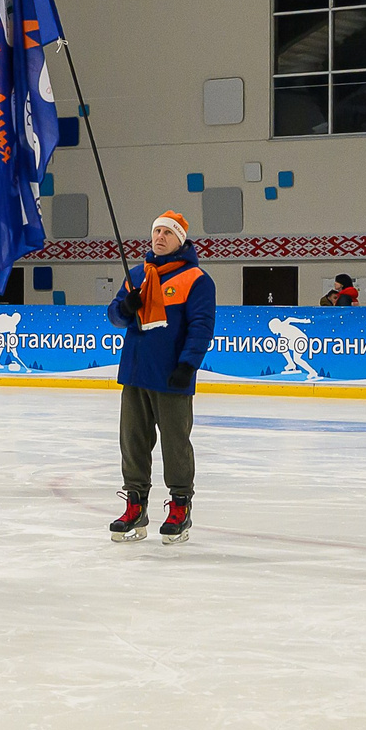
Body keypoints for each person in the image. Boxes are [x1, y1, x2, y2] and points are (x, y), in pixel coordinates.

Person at [105, 209, 216, 545]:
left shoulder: (197, 280)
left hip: (171, 376)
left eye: (168, 233)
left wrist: (188, 365)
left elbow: (201, 327)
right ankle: (135, 505)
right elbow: (114, 314)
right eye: (156, 231)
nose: (159, 237)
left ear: (180, 240)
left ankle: (180, 505)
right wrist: (126, 307)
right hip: (136, 373)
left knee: (175, 444)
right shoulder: (137, 274)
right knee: (133, 443)